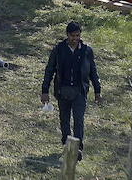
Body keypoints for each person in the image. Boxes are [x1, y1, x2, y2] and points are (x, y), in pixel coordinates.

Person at [41, 21, 102, 156]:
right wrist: (45, 90)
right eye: (72, 36)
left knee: (79, 120)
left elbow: (93, 72)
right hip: (63, 91)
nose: (75, 39)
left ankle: (77, 148)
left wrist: (98, 90)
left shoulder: (87, 51)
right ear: (67, 35)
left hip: (80, 91)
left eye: (77, 36)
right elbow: (49, 70)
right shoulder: (58, 50)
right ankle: (67, 146)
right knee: (64, 120)